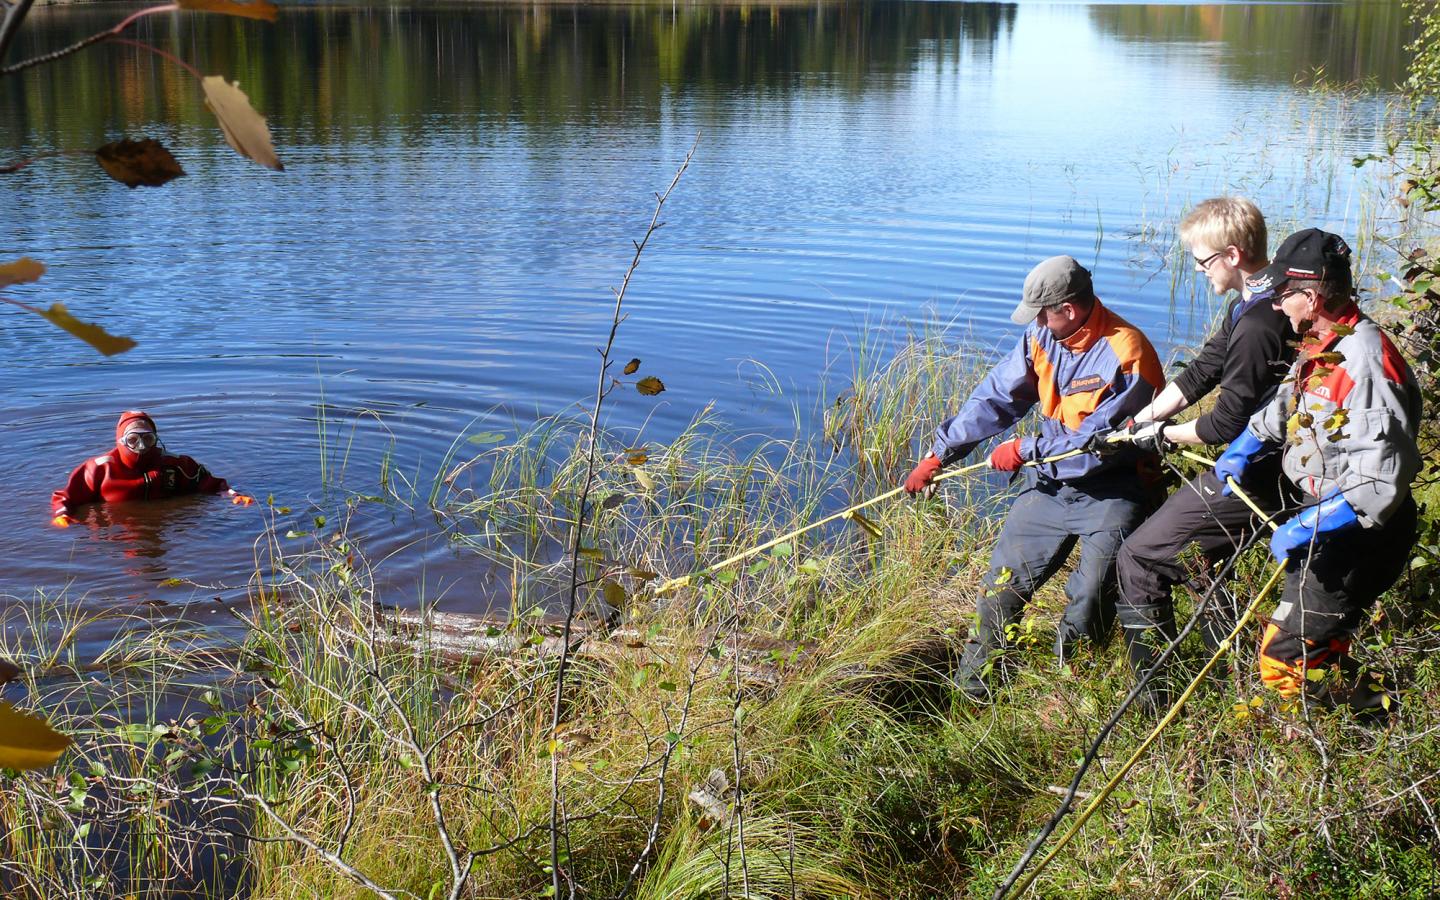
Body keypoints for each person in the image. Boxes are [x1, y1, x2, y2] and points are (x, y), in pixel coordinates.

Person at [904, 255, 1164, 700]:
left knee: (1088, 599)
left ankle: (1070, 694)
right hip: (1050, 485)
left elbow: (1097, 444)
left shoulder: (1128, 352)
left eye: (1044, 312)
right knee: (1001, 589)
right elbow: (995, 398)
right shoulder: (1041, 336)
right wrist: (939, 453)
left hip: (1115, 488)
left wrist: (1027, 450)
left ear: (1068, 308)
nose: (1038, 322)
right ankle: (972, 693)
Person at [1214, 230, 1421, 712]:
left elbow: (1378, 483)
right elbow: (1291, 402)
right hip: (1325, 519)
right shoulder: (1327, 340)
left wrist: (1309, 524)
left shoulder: (1366, 361)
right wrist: (1248, 441)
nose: (1277, 306)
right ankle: (1378, 705)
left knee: (1282, 657)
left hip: (1359, 534)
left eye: (1283, 295)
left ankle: (1327, 742)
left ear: (1311, 295)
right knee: (1319, 640)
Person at [1111, 199, 1296, 700]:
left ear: (1232, 255)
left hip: (1260, 474)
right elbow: (1201, 371)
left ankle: (1153, 697)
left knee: (1139, 557)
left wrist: (1162, 437)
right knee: (1201, 563)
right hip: (1260, 462)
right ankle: (1232, 683)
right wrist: (1143, 418)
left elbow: (1226, 422)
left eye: (1202, 260)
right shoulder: (1255, 302)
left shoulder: (1261, 323)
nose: (1197, 270)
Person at [51, 410, 254, 527]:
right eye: (132, 440)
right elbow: (65, 496)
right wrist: (62, 515)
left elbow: (211, 483)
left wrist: (233, 495)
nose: (141, 447)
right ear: (121, 441)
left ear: (156, 439)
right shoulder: (99, 470)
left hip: (163, 527)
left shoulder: (175, 464)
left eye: (147, 439)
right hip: (122, 536)